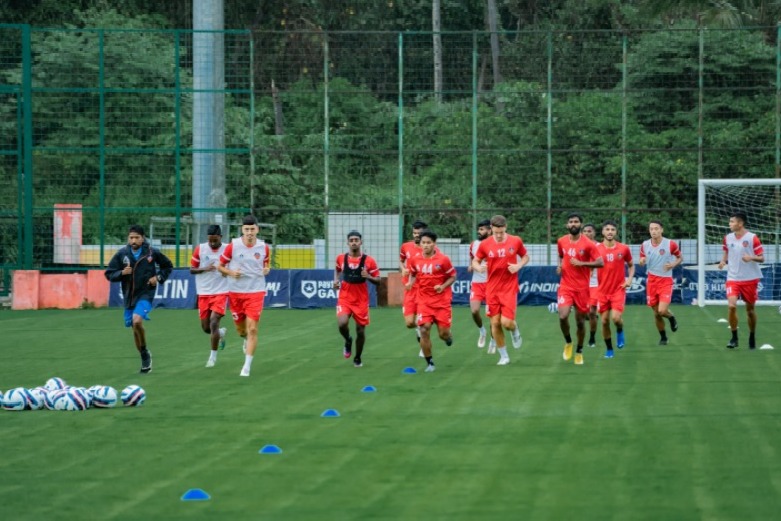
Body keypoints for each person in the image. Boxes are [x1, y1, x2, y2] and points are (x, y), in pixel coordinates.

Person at [104, 224, 173, 374]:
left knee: (137, 321)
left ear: (143, 238)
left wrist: (158, 277)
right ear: (128, 239)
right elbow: (109, 273)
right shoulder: (122, 254)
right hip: (129, 296)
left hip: (146, 293)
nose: (134, 240)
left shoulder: (152, 252)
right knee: (134, 329)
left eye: (137, 237)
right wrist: (122, 273)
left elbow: (167, 266)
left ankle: (145, 352)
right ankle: (144, 354)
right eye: (131, 238)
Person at [472, 215, 530, 366]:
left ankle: (515, 330)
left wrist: (518, 266)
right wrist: (478, 267)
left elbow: (525, 257)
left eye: (501, 232)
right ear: (491, 228)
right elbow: (475, 261)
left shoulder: (515, 240)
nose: (498, 235)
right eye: (496, 232)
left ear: (506, 228)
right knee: (495, 323)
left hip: (509, 288)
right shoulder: (485, 244)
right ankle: (504, 356)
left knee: (507, 323)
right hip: (492, 289)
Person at [217, 215, 271, 377]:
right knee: (242, 331)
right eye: (246, 229)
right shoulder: (233, 246)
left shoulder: (264, 247)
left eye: (252, 229)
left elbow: (266, 264)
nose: (249, 232)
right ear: (242, 230)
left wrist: (267, 269)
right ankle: (244, 338)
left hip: (256, 291)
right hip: (236, 292)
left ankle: (246, 367)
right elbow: (220, 266)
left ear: (257, 230)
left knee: (252, 329)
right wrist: (231, 272)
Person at [556, 213, 604, 365]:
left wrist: (582, 263)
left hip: (582, 288)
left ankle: (579, 351)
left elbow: (600, 262)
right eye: (571, 222)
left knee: (580, 323)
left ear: (581, 225)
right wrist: (559, 265)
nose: (573, 224)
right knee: (563, 316)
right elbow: (561, 255)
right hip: (566, 286)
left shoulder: (588, 244)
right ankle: (568, 342)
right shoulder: (561, 241)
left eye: (576, 222)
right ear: (567, 225)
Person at [405, 229, 456, 372]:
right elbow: (413, 273)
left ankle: (448, 337)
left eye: (429, 242)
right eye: (423, 242)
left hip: (441, 302)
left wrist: (443, 286)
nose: (426, 245)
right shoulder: (415, 259)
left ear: (434, 244)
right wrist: (410, 283)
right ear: (420, 244)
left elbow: (453, 276)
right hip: (424, 301)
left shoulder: (443, 259)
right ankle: (430, 363)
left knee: (443, 334)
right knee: (424, 329)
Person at [333, 230, 381, 367]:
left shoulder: (369, 261)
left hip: (361, 299)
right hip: (345, 297)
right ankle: (348, 340)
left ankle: (358, 357)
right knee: (342, 323)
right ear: (347, 243)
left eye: (356, 240)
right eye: (351, 240)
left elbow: (378, 280)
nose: (354, 242)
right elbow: (337, 270)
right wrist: (336, 280)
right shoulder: (341, 258)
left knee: (360, 331)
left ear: (361, 242)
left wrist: (368, 276)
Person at [718, 211, 765, 349]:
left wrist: (751, 257)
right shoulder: (727, 238)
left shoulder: (752, 238)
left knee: (750, 311)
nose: (730, 224)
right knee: (731, 306)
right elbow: (726, 251)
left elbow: (762, 258)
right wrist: (723, 261)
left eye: (732, 222)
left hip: (750, 279)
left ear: (740, 223)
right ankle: (734, 338)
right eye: (730, 221)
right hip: (732, 278)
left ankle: (752, 335)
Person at [190, 224, 229, 368]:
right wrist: (205, 268)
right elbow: (192, 269)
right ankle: (220, 333)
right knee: (206, 328)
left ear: (220, 237)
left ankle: (212, 357)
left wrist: (226, 272)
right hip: (204, 292)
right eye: (210, 240)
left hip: (221, 291)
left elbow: (234, 267)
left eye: (215, 240)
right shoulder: (200, 249)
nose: (212, 243)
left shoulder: (228, 249)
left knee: (213, 322)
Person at [638, 220, 682, 346]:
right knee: (656, 313)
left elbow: (680, 258)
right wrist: (641, 261)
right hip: (652, 281)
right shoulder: (645, 245)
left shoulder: (670, 244)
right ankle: (663, 337)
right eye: (651, 229)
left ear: (661, 230)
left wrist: (672, 264)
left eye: (656, 228)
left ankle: (671, 317)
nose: (654, 231)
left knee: (662, 311)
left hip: (665, 281)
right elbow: (641, 259)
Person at [596, 220, 635, 359]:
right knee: (604, 321)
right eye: (607, 229)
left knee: (616, 318)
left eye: (612, 229)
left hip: (618, 289)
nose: (610, 232)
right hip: (602, 291)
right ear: (602, 232)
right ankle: (609, 349)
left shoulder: (623, 248)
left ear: (616, 232)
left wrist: (629, 279)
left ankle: (620, 330)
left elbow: (631, 265)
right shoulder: (596, 249)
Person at [467, 219, 496, 351]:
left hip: (492, 284)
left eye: (482, 229)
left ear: (489, 230)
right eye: (478, 229)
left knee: (492, 316)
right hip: (477, 283)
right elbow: (472, 259)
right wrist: (471, 266)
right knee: (474, 311)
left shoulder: (496, 244)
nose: (479, 232)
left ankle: (493, 339)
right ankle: (482, 331)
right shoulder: (474, 244)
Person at [399, 220, 427, 353]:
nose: (416, 235)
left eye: (419, 233)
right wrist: (403, 269)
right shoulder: (405, 246)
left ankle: (424, 345)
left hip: (423, 290)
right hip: (409, 289)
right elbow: (401, 261)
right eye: (414, 233)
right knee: (410, 323)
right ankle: (420, 329)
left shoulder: (430, 249)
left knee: (423, 321)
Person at [581, 223, 600, 348]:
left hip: (595, 284)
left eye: (590, 231)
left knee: (592, 312)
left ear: (594, 233)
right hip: (581, 284)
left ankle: (592, 338)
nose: (587, 233)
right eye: (585, 231)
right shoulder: (578, 246)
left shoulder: (599, 247)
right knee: (583, 314)